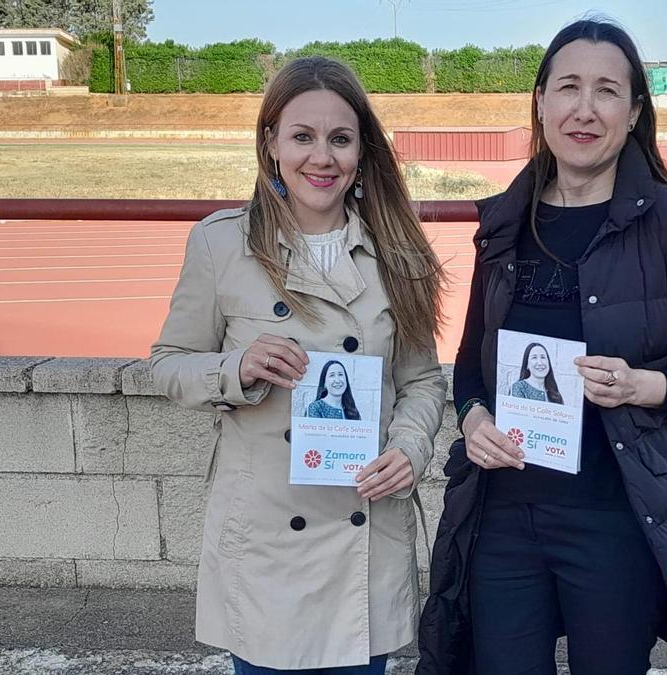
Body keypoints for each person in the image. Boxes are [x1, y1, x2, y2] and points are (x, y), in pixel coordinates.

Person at [418, 18, 667, 675]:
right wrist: (474, 420)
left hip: (614, 519)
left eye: (606, 91)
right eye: (567, 87)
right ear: (540, 102)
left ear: (635, 109)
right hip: (504, 516)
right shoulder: (506, 221)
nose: (584, 109)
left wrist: (638, 384)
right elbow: (472, 366)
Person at [151, 56, 447, 675]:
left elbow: (420, 379)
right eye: (302, 136)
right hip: (266, 547)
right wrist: (236, 369)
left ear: (362, 151)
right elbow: (168, 366)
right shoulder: (221, 243)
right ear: (271, 143)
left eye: (340, 138)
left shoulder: (400, 251)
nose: (322, 157)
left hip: (362, 538)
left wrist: (410, 447)